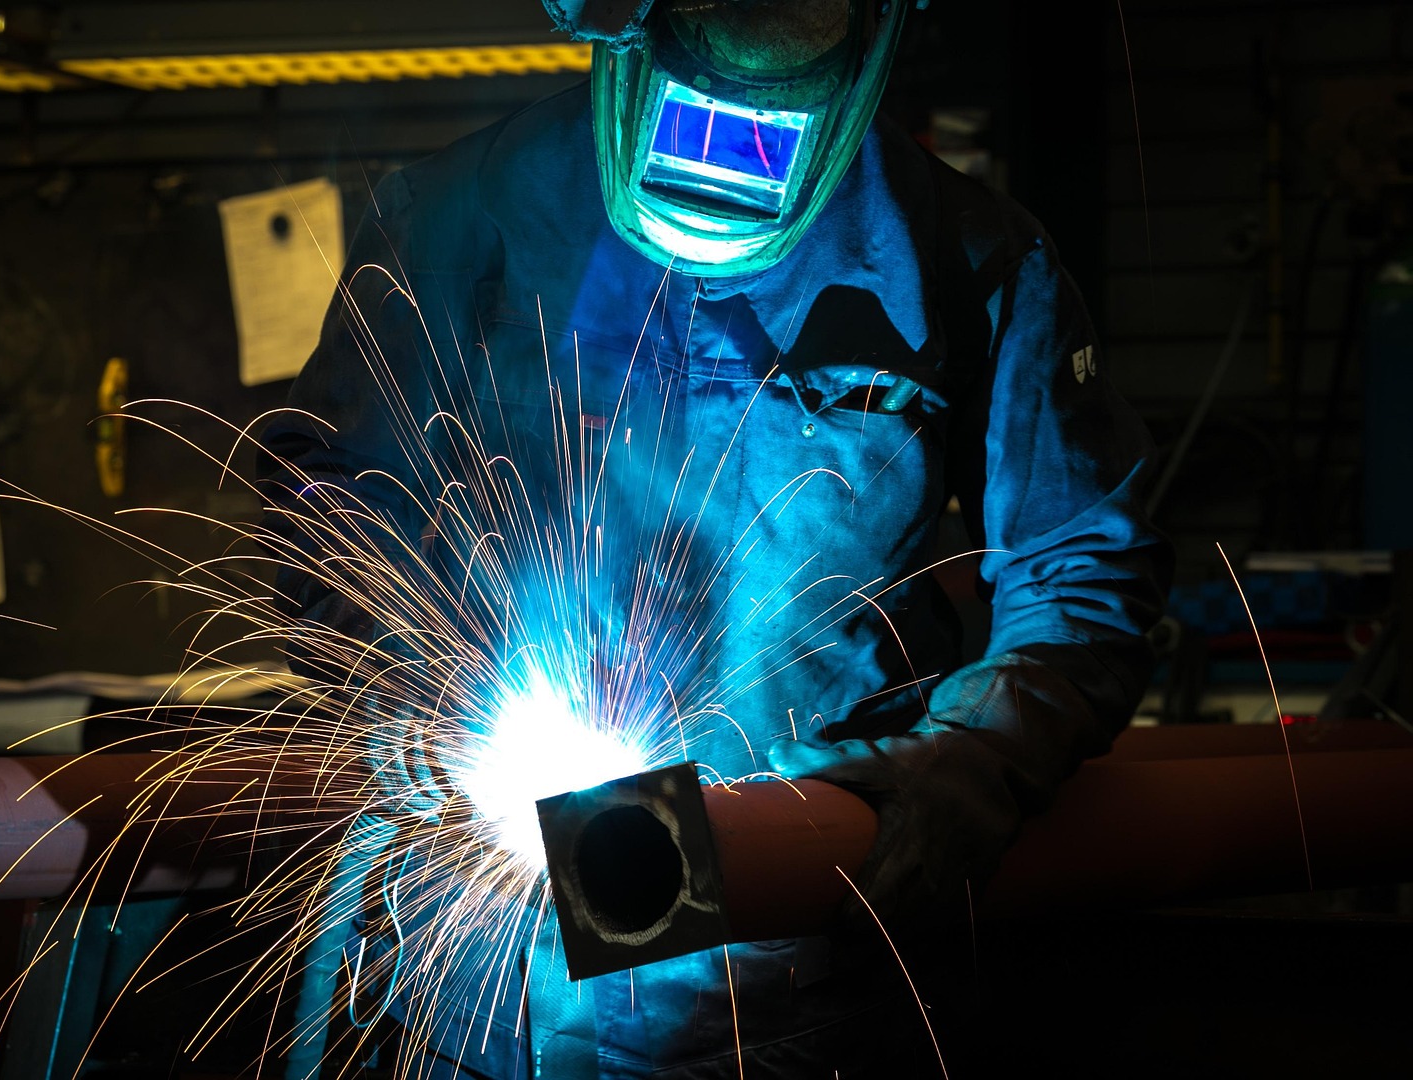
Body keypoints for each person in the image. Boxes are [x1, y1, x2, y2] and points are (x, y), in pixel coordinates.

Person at [259, 1, 1171, 1077]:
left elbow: (1083, 572)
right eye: (693, 118)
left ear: (852, 78)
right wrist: (402, 697)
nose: (722, 168)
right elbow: (331, 502)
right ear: (631, 45)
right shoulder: (462, 213)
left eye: (766, 133)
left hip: (788, 965)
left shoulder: (972, 260)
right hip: (488, 976)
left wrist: (976, 757)